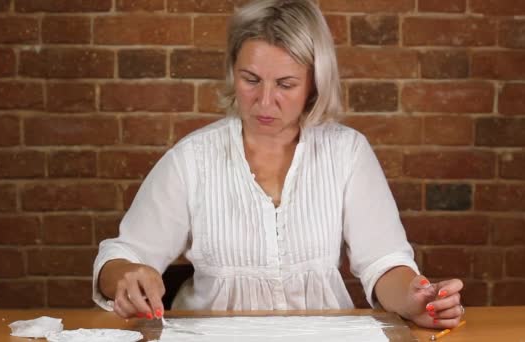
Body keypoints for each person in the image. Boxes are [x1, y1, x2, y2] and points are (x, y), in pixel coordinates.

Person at [93, 0, 464, 328]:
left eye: (285, 84)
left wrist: (416, 299)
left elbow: (384, 262)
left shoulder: (347, 152)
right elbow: (122, 256)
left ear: (314, 85)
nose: (264, 101)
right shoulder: (192, 159)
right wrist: (128, 276)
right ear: (232, 71)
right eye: (250, 79)